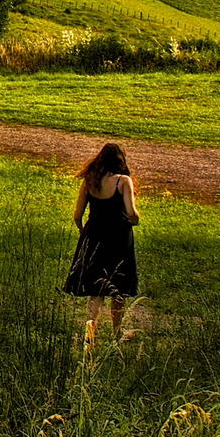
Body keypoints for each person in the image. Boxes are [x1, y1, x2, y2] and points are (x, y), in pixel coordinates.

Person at [64, 141, 139, 340]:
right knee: (118, 287)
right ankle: (116, 333)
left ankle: (90, 333)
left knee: (95, 289)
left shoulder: (90, 181)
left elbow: (77, 215)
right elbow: (131, 212)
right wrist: (135, 219)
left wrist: (83, 231)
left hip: (95, 234)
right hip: (119, 237)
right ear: (121, 161)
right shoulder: (123, 181)